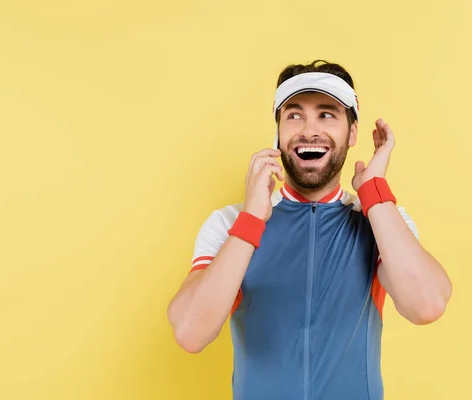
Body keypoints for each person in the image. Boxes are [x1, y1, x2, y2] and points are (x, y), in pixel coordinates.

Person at [167, 60, 452, 400]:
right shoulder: (231, 223)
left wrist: (375, 192)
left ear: (352, 132)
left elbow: (427, 305)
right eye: (294, 115)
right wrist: (252, 221)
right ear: (278, 132)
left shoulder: (379, 220)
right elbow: (190, 333)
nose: (309, 130)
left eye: (327, 114)